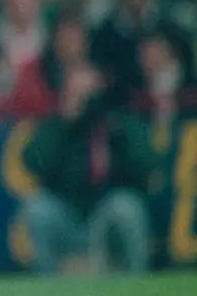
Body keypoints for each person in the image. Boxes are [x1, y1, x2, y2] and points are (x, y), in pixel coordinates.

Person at [20, 63, 161, 275]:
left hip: (108, 212)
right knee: (36, 209)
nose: (86, 101)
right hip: (69, 216)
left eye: (89, 93)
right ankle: (46, 289)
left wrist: (118, 133)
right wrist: (64, 124)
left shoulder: (119, 121)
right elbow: (32, 162)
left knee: (127, 207)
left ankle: (138, 280)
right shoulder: (58, 126)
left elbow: (148, 163)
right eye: (77, 94)